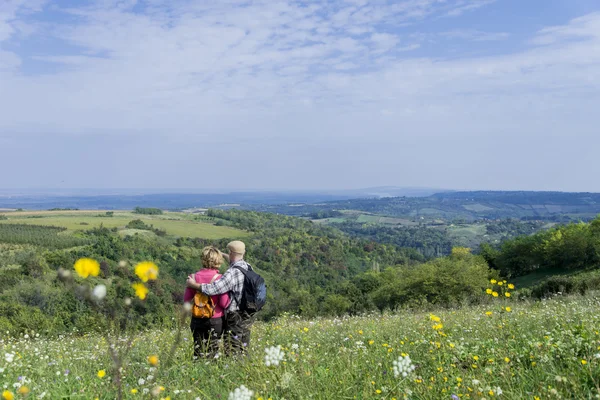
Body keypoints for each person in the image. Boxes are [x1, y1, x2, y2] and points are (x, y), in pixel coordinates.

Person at [186, 240, 254, 355]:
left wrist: (194, 285)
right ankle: (240, 366)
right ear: (244, 252)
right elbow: (223, 303)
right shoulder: (247, 267)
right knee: (239, 346)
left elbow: (209, 291)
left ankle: (204, 367)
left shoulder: (230, 273)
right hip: (237, 314)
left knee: (203, 348)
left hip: (207, 317)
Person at [183, 246, 230, 359]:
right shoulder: (220, 278)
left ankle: (196, 372)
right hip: (215, 319)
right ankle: (211, 373)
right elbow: (224, 303)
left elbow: (186, 299)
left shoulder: (192, 277)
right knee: (213, 351)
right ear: (218, 261)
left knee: (198, 350)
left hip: (197, 318)